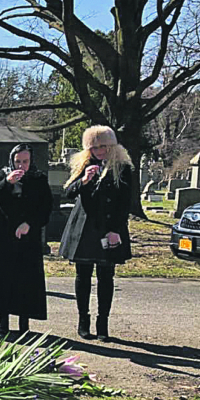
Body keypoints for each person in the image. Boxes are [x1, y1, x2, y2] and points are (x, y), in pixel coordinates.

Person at [58, 126, 133, 341]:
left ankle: (103, 323)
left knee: (106, 276)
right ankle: (83, 320)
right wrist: (84, 180)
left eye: (103, 146)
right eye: (94, 147)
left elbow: (124, 203)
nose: (99, 151)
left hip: (110, 227)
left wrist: (115, 230)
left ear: (112, 146)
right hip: (84, 228)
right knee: (83, 276)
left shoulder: (123, 168)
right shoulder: (84, 166)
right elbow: (69, 192)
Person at [0, 144, 54, 334]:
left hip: (27, 236)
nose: (21, 165)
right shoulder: (1, 175)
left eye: (25, 161)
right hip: (2, 236)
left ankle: (24, 322)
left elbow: (45, 208)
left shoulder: (38, 179)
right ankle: (3, 321)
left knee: (25, 279)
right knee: (3, 277)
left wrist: (29, 224)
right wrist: (7, 182)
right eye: (18, 161)